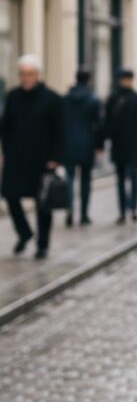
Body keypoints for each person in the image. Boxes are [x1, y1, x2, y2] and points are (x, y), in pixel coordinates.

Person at [0, 55, 65, 259]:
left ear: (38, 75)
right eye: (22, 74)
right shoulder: (12, 96)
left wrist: (56, 157)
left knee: (43, 204)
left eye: (29, 74)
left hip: (42, 159)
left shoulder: (52, 99)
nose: (25, 78)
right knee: (10, 196)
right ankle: (25, 233)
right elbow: (5, 127)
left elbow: (60, 130)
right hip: (16, 158)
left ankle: (42, 244)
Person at [104, 69, 137, 224]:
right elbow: (107, 121)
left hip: (134, 144)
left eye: (128, 79)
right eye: (124, 79)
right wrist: (103, 141)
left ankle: (133, 208)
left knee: (134, 177)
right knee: (120, 179)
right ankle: (122, 210)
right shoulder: (113, 98)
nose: (126, 82)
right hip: (118, 144)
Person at [63, 67, 103, 226]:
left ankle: (70, 210)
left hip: (68, 144)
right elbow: (99, 125)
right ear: (88, 80)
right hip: (87, 143)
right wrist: (99, 145)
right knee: (85, 180)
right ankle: (84, 214)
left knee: (69, 178)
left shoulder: (66, 99)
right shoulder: (93, 99)